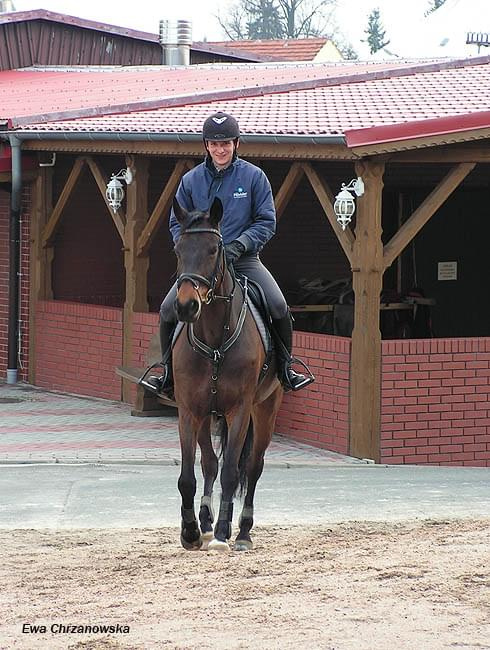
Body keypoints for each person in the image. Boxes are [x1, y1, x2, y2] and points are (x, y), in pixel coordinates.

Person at [142, 111, 314, 397]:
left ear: (236, 144)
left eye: (225, 144)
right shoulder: (190, 180)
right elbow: (177, 222)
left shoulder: (254, 177)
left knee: (278, 305)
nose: (220, 149)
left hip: (243, 259)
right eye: (214, 144)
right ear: (206, 146)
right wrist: (192, 251)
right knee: (167, 308)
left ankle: (286, 368)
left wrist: (241, 244)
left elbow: (266, 221)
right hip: (202, 265)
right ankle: (167, 374)